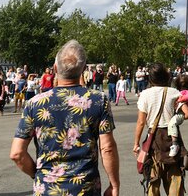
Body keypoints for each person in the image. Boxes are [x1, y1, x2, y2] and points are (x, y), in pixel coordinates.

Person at [10, 40, 120, 196]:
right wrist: (114, 184)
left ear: (55, 68)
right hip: (85, 188)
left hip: (47, 188)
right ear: (83, 69)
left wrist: (39, 175)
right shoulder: (98, 100)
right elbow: (107, 148)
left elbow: (17, 154)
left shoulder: (35, 103)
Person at [134, 63, 184, 195]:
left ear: (150, 78)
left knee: (153, 178)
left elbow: (140, 122)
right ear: (166, 76)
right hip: (172, 137)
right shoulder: (175, 93)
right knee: (174, 178)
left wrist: (136, 143)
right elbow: (187, 112)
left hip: (153, 138)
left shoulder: (145, 94)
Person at [168, 74, 188, 157]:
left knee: (172, 123)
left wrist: (179, 99)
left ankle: (175, 144)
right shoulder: (178, 92)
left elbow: (187, 97)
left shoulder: (186, 92)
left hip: (181, 112)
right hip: (178, 111)